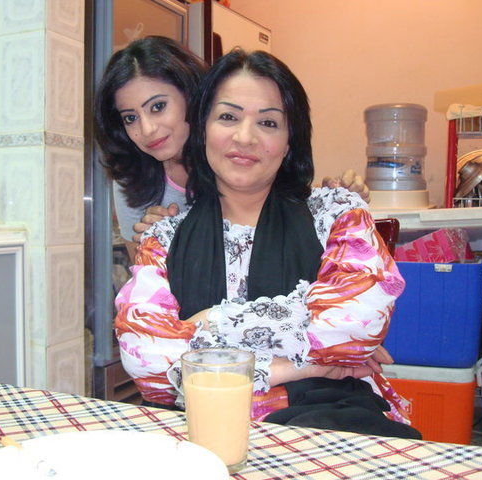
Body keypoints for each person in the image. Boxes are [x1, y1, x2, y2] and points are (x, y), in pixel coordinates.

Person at [114, 49, 419, 438]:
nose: (245, 137)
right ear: (202, 129)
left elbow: (352, 331)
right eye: (228, 117)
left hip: (330, 417)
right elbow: (148, 364)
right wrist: (301, 365)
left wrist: (206, 322)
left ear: (290, 141)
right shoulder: (163, 236)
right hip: (202, 424)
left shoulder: (336, 215)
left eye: (268, 122)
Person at [94, 36, 369, 259]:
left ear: (192, 97)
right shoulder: (133, 179)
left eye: (158, 107)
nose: (147, 129)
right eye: (130, 118)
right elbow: (146, 286)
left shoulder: (236, 158)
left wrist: (332, 205)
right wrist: (156, 245)